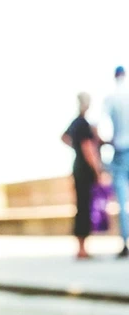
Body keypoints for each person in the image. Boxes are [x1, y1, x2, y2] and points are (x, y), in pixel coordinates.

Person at [61, 92, 104, 259]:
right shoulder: (84, 124)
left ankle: (81, 247)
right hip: (85, 170)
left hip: (76, 167)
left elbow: (63, 137)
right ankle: (82, 249)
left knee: (81, 206)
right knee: (85, 207)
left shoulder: (75, 123)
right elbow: (88, 149)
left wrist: (75, 147)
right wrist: (97, 170)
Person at [103, 66, 129, 257]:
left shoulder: (111, 97)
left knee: (122, 202)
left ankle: (125, 243)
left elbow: (101, 127)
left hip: (120, 152)